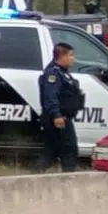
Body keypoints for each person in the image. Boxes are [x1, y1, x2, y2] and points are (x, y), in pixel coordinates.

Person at [35, 42, 83, 172]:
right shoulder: (53, 74)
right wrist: (57, 115)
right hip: (58, 119)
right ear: (62, 56)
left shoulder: (63, 73)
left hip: (64, 117)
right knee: (68, 148)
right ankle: (69, 176)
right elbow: (50, 96)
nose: (73, 59)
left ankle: (38, 172)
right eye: (71, 55)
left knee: (51, 149)